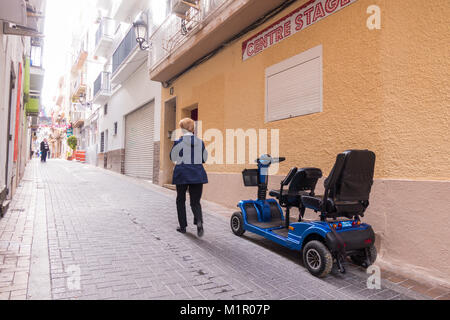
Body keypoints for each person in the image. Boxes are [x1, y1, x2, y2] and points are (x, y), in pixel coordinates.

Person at [170, 118, 208, 237]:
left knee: (180, 200)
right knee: (195, 202)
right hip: (197, 174)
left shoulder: (178, 142)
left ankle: (183, 227)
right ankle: (199, 221)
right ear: (192, 128)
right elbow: (203, 159)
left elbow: (173, 157)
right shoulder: (200, 142)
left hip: (182, 173)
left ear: (182, 128)